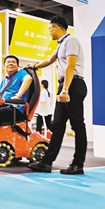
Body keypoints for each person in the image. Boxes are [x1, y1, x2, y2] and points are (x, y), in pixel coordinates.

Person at [28, 15, 87, 175]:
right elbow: (50, 59)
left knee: (77, 125)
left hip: (73, 85)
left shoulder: (71, 41)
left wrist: (65, 90)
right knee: (57, 124)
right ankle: (46, 162)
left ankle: (78, 164)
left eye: (50, 28)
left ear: (56, 27)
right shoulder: (61, 45)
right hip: (65, 85)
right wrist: (35, 66)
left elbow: (70, 66)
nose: (49, 32)